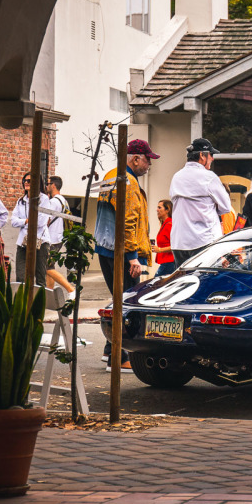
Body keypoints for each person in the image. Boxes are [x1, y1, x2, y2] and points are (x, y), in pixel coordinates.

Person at [94, 138, 156, 371]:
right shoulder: (128, 182)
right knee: (127, 304)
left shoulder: (111, 174)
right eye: (148, 160)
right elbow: (128, 222)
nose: (149, 165)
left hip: (105, 247)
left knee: (117, 300)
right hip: (121, 252)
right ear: (135, 158)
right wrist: (132, 257)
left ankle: (110, 349)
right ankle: (118, 358)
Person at [168, 137, 233, 267]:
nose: (212, 159)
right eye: (211, 155)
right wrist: (212, 206)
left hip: (179, 242)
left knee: (183, 283)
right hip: (202, 241)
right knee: (204, 282)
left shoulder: (177, 177)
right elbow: (226, 207)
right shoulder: (209, 177)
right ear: (202, 156)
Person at [11, 171, 51, 287]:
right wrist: (26, 221)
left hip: (40, 241)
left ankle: (39, 304)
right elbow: (13, 221)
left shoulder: (43, 199)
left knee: (40, 277)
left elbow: (40, 222)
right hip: (23, 241)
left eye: (29, 181)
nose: (26, 183)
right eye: (25, 181)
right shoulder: (21, 201)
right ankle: (24, 303)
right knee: (20, 276)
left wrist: (25, 222)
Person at [43, 175, 74, 295]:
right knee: (50, 267)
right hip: (59, 238)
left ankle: (70, 289)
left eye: (48, 184)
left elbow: (47, 220)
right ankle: (48, 294)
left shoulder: (53, 202)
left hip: (51, 239)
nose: (46, 186)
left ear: (53, 186)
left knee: (46, 267)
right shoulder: (63, 201)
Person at [153, 199, 175, 278]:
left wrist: (159, 250)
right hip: (166, 263)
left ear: (167, 210)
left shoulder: (169, 225)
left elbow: (176, 245)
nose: (157, 210)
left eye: (159, 207)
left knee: (155, 284)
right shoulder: (165, 224)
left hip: (169, 263)